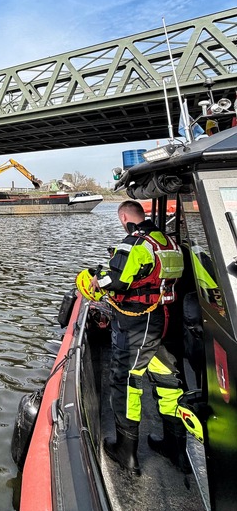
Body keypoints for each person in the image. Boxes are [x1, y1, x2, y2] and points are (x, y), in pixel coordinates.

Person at [91, 199, 187, 476]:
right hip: (166, 318)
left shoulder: (135, 243)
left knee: (126, 378)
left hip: (139, 320)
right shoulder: (168, 242)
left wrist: (96, 276)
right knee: (168, 381)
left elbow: (116, 281)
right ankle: (175, 446)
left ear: (123, 217)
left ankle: (126, 450)